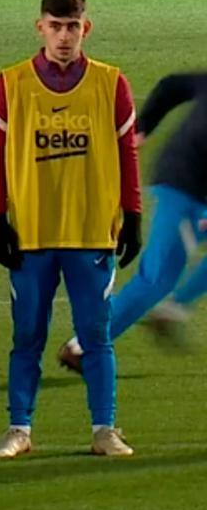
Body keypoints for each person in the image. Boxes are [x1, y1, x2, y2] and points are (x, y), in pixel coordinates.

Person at [0, 0, 141, 459]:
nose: (65, 36)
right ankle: (19, 429)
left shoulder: (111, 83)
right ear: (40, 27)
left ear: (85, 28)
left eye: (72, 26)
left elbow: (127, 152)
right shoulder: (9, 83)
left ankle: (104, 429)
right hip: (31, 232)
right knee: (27, 335)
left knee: (96, 335)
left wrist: (132, 215)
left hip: (91, 230)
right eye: (56, 26)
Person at [59, 73, 207, 367]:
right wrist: (142, 127)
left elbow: (171, 86)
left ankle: (173, 309)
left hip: (192, 181)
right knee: (157, 278)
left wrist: (144, 126)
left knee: (160, 277)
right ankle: (82, 345)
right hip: (184, 185)